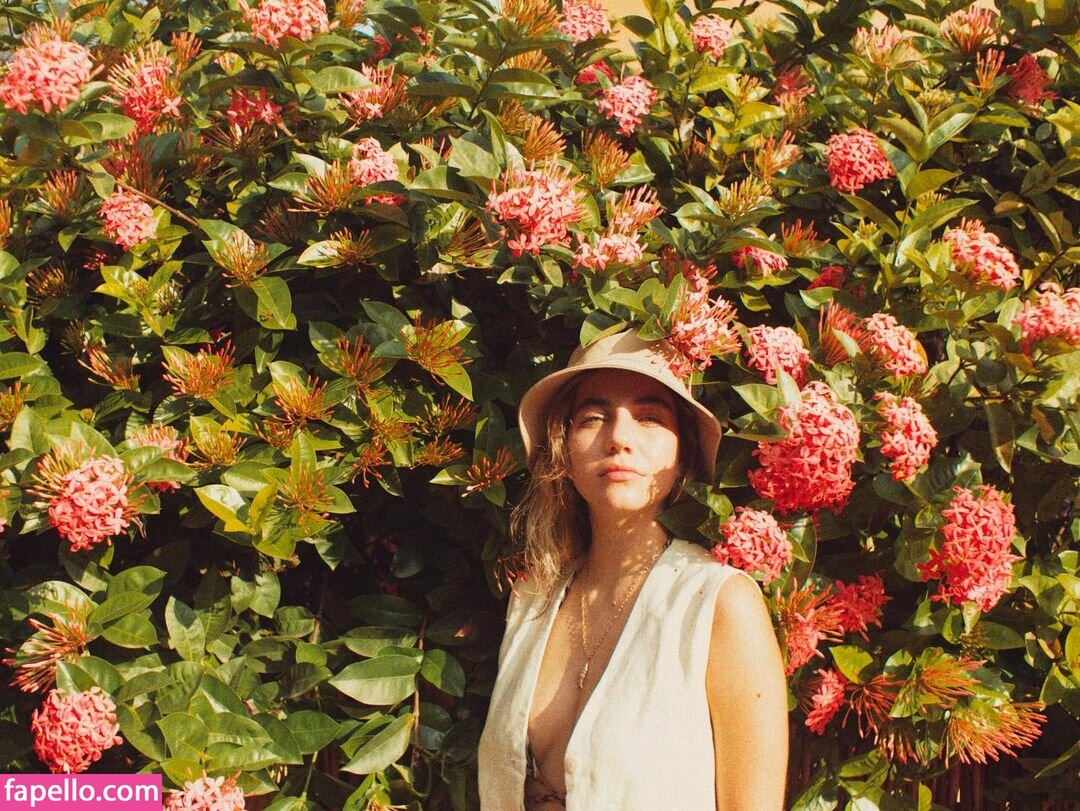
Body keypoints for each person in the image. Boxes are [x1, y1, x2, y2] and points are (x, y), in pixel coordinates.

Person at [477, 330, 789, 810]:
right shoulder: (533, 599)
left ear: (682, 453)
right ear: (564, 448)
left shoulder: (718, 604)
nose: (619, 438)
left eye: (649, 418)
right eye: (593, 418)